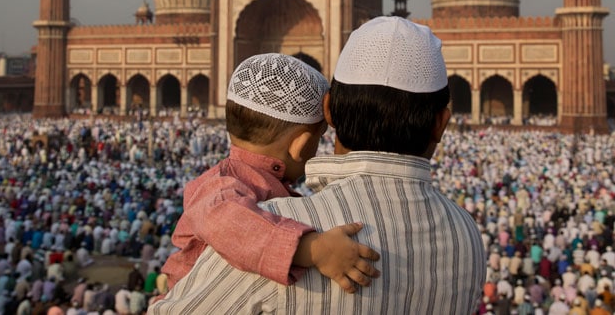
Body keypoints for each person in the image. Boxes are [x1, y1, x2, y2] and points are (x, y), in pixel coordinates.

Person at [152, 16, 486, 314]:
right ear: (442, 122)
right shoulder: (467, 236)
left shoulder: (282, 221)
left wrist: (308, 246)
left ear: (329, 110)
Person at [159, 53, 380, 293]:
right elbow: (228, 223)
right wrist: (314, 249)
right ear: (302, 145)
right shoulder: (222, 188)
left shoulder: (252, 182)